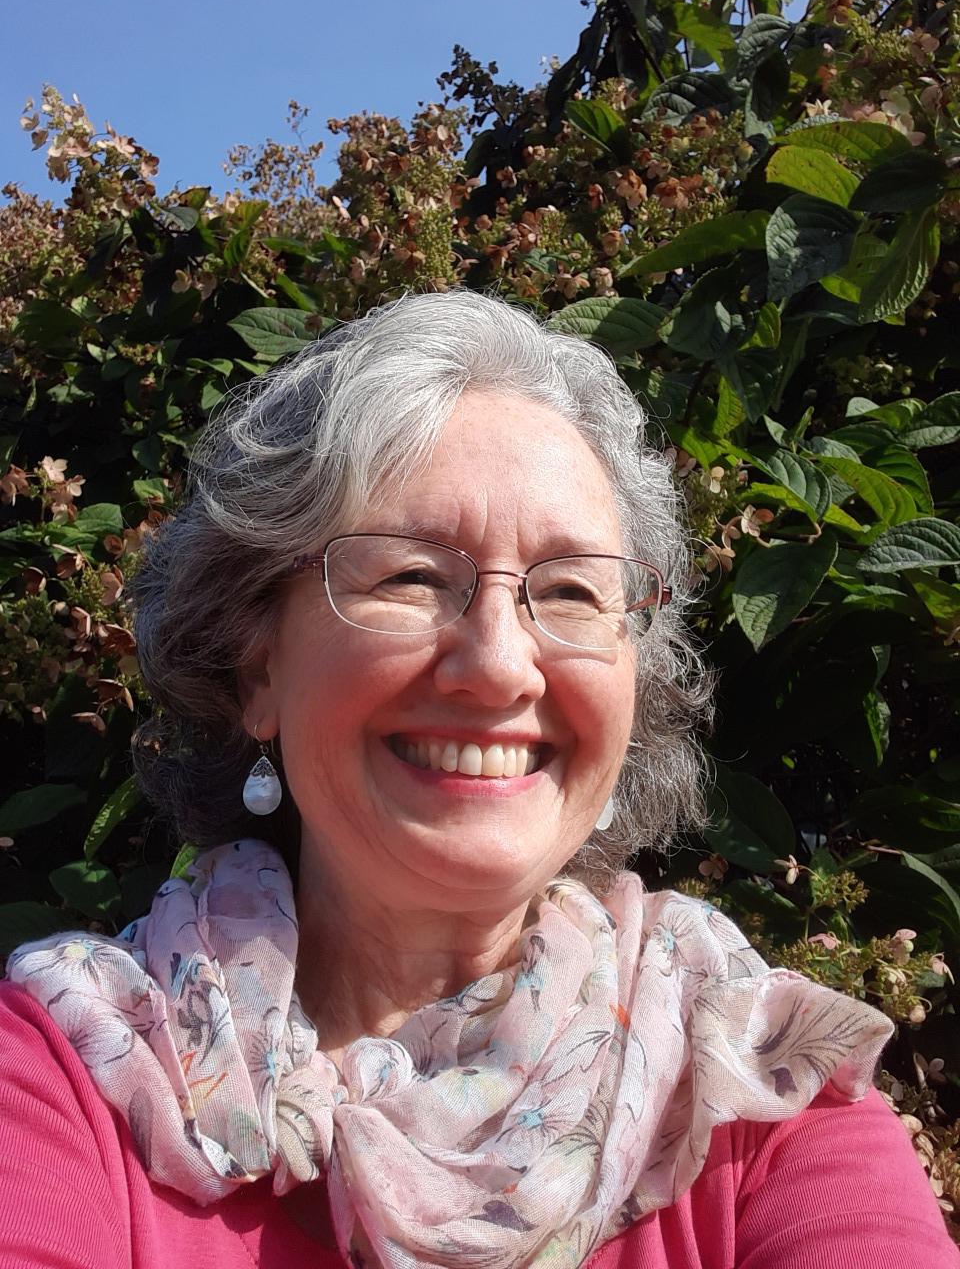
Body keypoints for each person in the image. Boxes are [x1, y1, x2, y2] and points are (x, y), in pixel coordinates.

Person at [0, 290, 955, 1269]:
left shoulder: (757, 1091)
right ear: (257, 669)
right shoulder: (63, 1078)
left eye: (572, 590)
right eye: (410, 577)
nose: (499, 665)